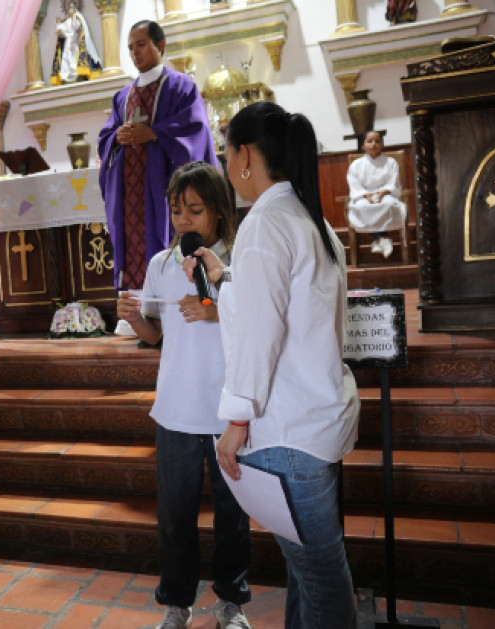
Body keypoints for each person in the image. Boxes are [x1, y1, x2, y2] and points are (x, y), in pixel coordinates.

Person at [187, 101, 360, 628]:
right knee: (307, 577)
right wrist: (225, 278)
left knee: (321, 579)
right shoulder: (309, 217)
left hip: (288, 431)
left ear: (243, 156)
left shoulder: (265, 223)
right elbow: (281, 306)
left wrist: (237, 420)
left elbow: (262, 332)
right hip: (315, 419)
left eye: (224, 153)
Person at [118, 162, 252, 629]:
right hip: (175, 408)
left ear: (218, 211)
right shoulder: (161, 263)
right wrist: (137, 321)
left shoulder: (236, 263)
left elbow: (256, 325)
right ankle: (178, 604)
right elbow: (157, 336)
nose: (183, 221)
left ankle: (231, 603)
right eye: (176, 211)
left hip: (226, 409)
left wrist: (217, 309)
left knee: (233, 515)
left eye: (195, 210)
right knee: (174, 517)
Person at [97, 20, 214, 293]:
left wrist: (154, 133)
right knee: (133, 241)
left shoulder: (181, 87)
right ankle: (137, 307)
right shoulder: (122, 97)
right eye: (130, 48)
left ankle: (172, 300)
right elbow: (105, 137)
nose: (135, 53)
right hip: (130, 191)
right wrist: (117, 138)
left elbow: (195, 129)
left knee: (165, 237)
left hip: (164, 185)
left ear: (160, 45)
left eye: (141, 45)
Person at [346, 130, 407, 259]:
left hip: (386, 194)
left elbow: (393, 182)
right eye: (369, 141)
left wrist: (383, 193)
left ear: (382, 144)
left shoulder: (390, 162)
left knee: (389, 204)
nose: (374, 144)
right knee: (362, 207)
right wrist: (366, 195)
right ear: (363, 146)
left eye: (377, 141)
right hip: (363, 196)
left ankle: (378, 240)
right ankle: (382, 239)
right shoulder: (356, 165)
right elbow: (354, 184)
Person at [50, 0, 102, 85]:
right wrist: (59, 25)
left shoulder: (77, 17)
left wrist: (73, 16)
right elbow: (62, 32)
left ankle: (78, 74)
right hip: (68, 43)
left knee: (74, 59)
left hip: (76, 43)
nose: (70, 9)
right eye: (69, 7)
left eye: (72, 7)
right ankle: (67, 76)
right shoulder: (66, 21)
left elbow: (78, 26)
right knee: (67, 59)